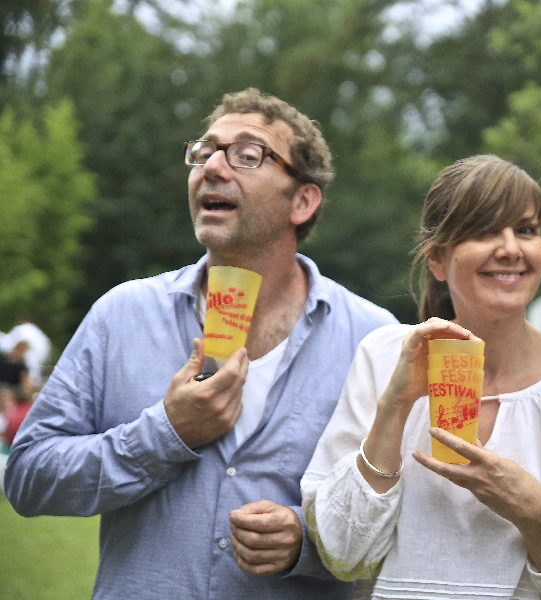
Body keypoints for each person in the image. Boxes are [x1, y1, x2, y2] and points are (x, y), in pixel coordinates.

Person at [4, 88, 397, 600]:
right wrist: (164, 434)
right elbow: (28, 476)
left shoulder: (371, 337)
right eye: (204, 151)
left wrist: (307, 542)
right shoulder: (121, 315)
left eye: (247, 155)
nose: (211, 167)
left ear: (302, 201)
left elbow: (399, 517)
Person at [301, 155, 541, 599]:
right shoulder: (384, 356)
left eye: (526, 230)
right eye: (484, 231)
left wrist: (538, 516)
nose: (511, 248)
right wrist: (396, 406)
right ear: (437, 260)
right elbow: (342, 555)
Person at [0, 315, 50, 386]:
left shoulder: (21, 329)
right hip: (37, 369)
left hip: (21, 368)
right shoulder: (40, 334)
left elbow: (6, 346)